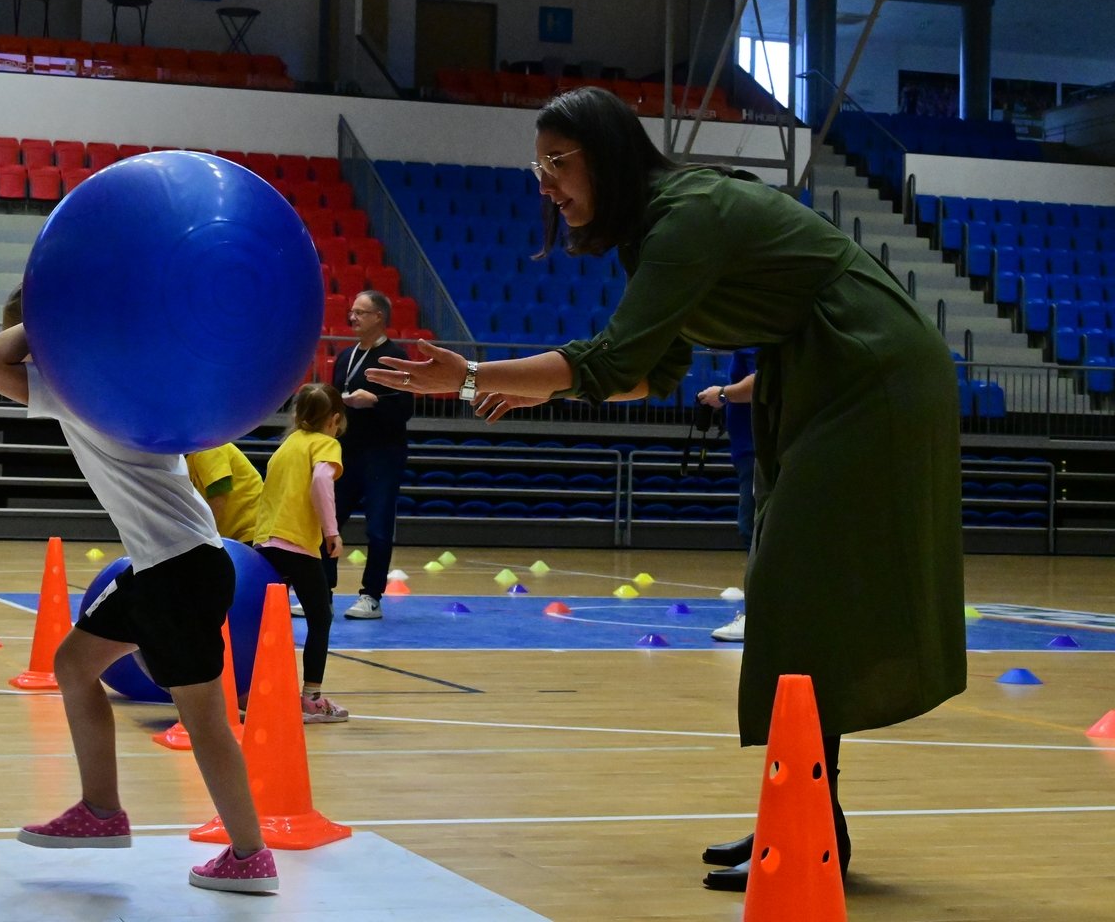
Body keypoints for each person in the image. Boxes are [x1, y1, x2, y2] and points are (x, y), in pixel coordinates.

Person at [367, 86, 966, 892]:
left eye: (559, 162)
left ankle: (811, 827)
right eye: (535, 165)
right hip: (828, 369)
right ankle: (804, 819)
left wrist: (474, 371)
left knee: (795, 591)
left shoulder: (687, 217)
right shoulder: (653, 236)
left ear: (608, 157)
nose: (543, 181)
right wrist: (520, 382)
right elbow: (649, 375)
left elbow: (615, 362)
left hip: (870, 369)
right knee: (791, 593)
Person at [0, 285, 277, 894]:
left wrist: (48, 318)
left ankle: (250, 853)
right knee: (75, 663)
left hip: (179, 570)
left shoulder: (76, 393)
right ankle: (100, 811)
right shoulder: (125, 382)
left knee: (206, 722)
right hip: (164, 565)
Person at [252, 383, 350, 724]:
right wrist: (332, 532)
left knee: (258, 620)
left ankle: (247, 688)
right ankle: (311, 698)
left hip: (265, 542)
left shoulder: (287, 445)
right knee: (320, 619)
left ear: (297, 416)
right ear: (334, 419)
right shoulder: (327, 444)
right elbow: (322, 482)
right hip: (298, 545)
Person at [329, 290, 414, 621]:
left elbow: (405, 409)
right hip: (347, 452)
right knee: (329, 521)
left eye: (360, 312)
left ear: (379, 316)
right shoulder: (345, 356)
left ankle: (371, 596)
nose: (352, 317)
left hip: (383, 455)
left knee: (378, 527)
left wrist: (374, 401)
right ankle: (322, 592)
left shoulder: (395, 356)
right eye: (352, 311)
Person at [696, 349, 756, 643]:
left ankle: (758, 618)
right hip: (751, 450)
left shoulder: (756, 334)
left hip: (759, 451)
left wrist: (722, 394)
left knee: (755, 532)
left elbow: (764, 382)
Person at [185, 442, 264, 545]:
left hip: (249, 534)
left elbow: (219, 495)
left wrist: (207, 537)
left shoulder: (208, 447)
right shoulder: (189, 454)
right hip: (233, 535)